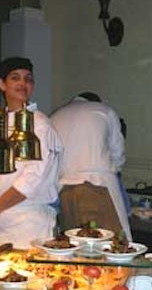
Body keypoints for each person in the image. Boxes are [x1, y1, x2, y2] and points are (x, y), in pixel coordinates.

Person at [0, 57, 62, 248]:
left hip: (25, 221)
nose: (23, 83)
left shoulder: (40, 124)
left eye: (28, 79)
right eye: (15, 78)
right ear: (2, 84)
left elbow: (34, 177)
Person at [50, 91, 132, 241]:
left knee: (75, 248)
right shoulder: (104, 110)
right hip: (98, 188)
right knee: (112, 245)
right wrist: (116, 171)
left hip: (64, 192)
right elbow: (118, 154)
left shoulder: (55, 116)